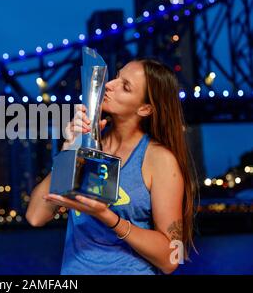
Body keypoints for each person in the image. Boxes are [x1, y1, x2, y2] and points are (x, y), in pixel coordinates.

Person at [26, 59, 198, 275]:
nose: (109, 85)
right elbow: (35, 217)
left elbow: (172, 259)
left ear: (145, 108)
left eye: (125, 86)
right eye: (117, 76)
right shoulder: (87, 147)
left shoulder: (158, 159)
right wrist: (69, 151)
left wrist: (107, 216)